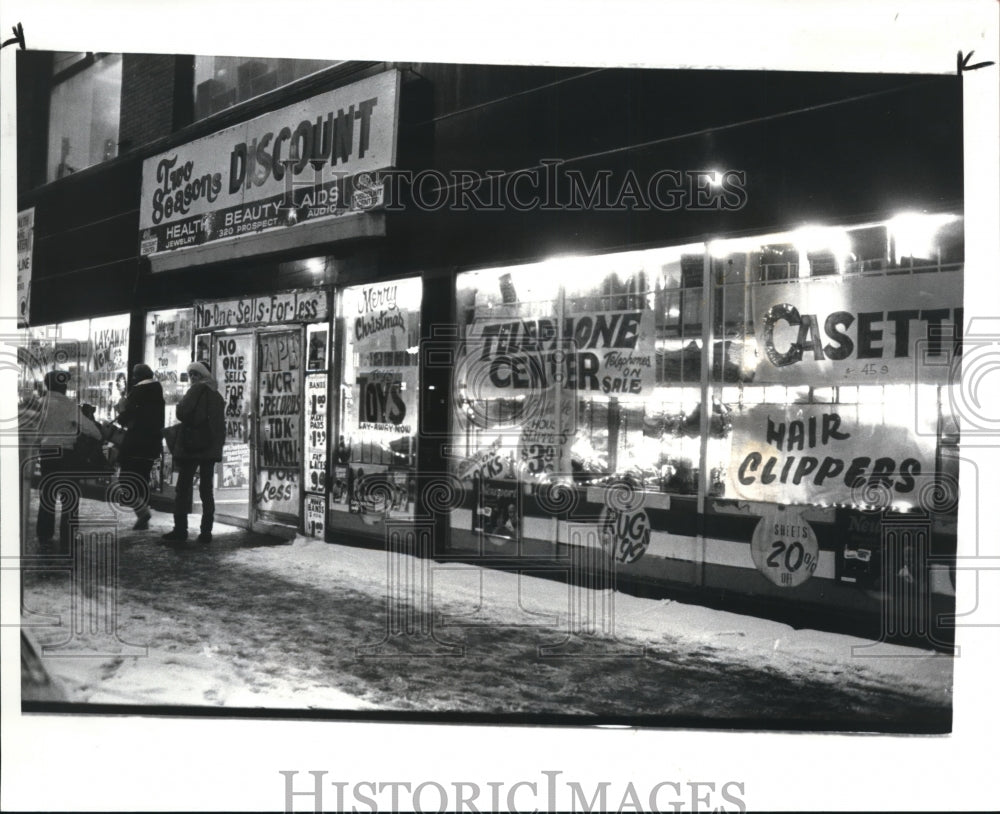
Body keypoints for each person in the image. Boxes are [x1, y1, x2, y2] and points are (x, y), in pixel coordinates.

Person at [29, 370, 103, 549]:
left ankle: (44, 533)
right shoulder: (69, 405)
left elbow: (33, 432)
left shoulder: (39, 405)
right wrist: (99, 435)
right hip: (67, 455)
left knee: (47, 494)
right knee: (69, 496)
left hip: (47, 454)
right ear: (62, 386)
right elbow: (91, 430)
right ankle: (68, 536)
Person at [163, 362, 225, 545]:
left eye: (195, 374)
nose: (192, 378)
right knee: (207, 491)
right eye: (191, 374)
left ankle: (180, 529)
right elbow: (219, 425)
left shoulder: (196, 390)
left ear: (202, 375)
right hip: (209, 448)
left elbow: (182, 412)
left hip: (192, 446)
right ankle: (206, 531)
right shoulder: (217, 394)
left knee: (183, 488)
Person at [114, 363, 165, 530]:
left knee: (125, 480)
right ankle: (143, 516)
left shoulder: (137, 392)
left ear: (138, 377)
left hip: (135, 444)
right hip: (151, 445)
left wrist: (121, 408)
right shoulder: (158, 393)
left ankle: (142, 512)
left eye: (135, 375)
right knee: (142, 479)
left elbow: (125, 418)